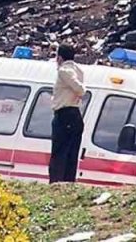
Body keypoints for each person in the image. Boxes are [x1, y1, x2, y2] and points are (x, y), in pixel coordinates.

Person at [49, 44, 85, 183]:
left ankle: (57, 183)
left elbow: (80, 89)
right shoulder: (79, 70)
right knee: (71, 153)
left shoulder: (64, 71)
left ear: (60, 57)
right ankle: (68, 181)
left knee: (59, 153)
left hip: (65, 115)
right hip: (74, 115)